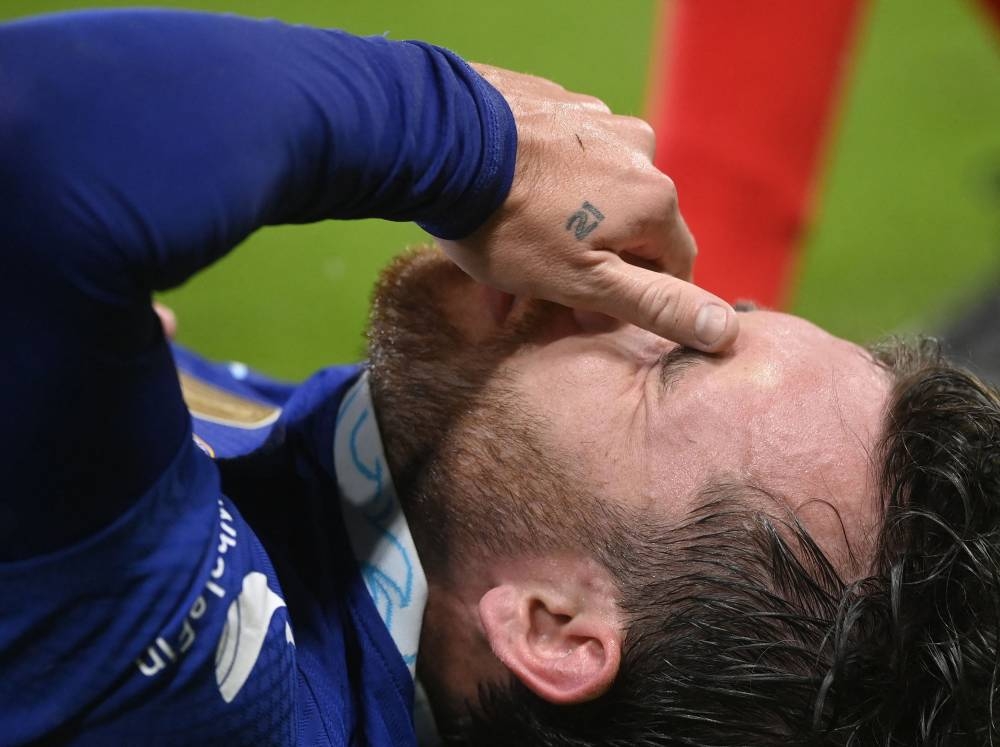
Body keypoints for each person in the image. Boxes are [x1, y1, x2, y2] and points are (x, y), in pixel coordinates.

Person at [4, 9, 999, 747]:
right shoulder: (370, 546)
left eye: (671, 358)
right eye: (718, 307)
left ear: (555, 628)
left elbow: (39, 149)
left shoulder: (221, 698)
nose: (625, 288)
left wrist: (467, 137)